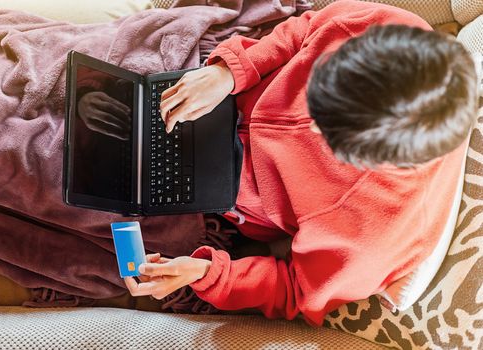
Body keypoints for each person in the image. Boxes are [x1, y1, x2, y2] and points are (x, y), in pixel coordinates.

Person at [124, 0, 478, 326]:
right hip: (216, 89)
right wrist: (230, 72)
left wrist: (207, 273)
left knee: (84, 189)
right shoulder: (393, 26)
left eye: (325, 131)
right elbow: (307, 28)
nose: (306, 120)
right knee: (99, 73)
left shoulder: (367, 242)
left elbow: (294, 290)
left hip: (213, 199)